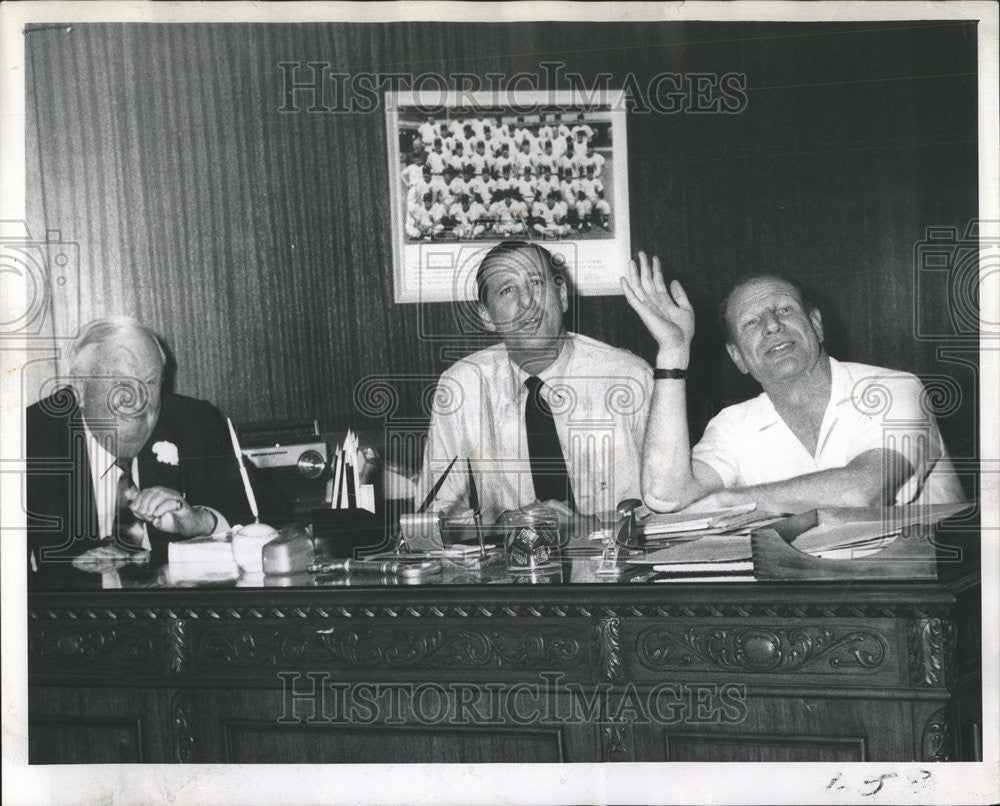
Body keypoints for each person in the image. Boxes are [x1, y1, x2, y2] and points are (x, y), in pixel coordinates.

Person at [621, 254, 965, 512]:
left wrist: (727, 501)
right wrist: (673, 353)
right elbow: (664, 497)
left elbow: (861, 492)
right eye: (752, 322)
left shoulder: (895, 390)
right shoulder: (732, 426)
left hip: (920, 598)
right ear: (738, 357)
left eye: (784, 310)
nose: (771, 325)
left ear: (816, 325)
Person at [418, 242, 652, 522]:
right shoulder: (462, 387)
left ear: (563, 296)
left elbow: (670, 504)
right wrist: (507, 523)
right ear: (487, 316)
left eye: (536, 283)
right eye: (507, 290)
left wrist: (593, 526)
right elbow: (434, 515)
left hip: (617, 557)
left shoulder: (630, 377)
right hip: (511, 560)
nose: (527, 302)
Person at [26, 317, 253, 576]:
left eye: (150, 382)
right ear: (79, 387)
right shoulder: (26, 441)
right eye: (120, 382)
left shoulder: (194, 423)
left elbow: (270, 511)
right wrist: (67, 570)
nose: (138, 400)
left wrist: (200, 522)